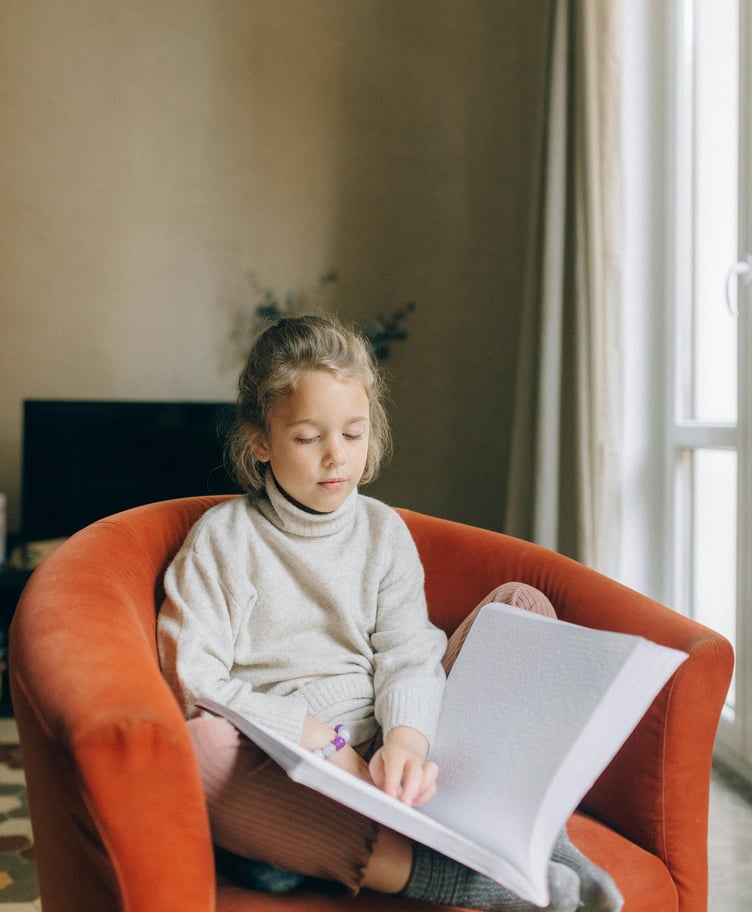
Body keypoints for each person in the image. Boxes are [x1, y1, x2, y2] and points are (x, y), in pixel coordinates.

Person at [157, 314, 623, 912]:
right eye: (307, 438)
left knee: (521, 607)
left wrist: (405, 740)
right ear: (260, 441)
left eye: (352, 435)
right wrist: (311, 737)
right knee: (200, 750)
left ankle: (545, 845)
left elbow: (407, 651)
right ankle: (469, 883)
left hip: (393, 745)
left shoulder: (382, 531)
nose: (335, 458)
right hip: (295, 764)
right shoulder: (224, 540)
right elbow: (193, 680)